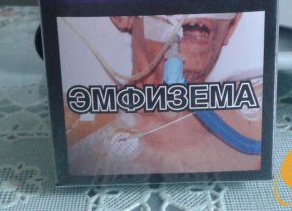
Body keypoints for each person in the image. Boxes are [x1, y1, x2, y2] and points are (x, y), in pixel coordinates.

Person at [63, 13, 263, 176]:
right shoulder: (76, 125)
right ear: (122, 14)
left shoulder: (257, 120)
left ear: (232, 24)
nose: (194, 4)